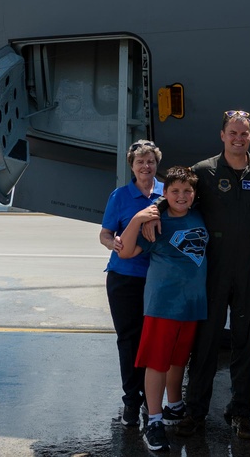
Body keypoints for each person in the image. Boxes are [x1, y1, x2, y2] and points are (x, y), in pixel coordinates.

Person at [176, 110, 250, 440]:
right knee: (204, 344)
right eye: (233, 133)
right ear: (222, 135)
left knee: (245, 345)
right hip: (212, 271)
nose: (238, 138)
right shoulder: (203, 172)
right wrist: (152, 217)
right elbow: (179, 206)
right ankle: (195, 413)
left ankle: (241, 413)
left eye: (244, 134)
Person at [117, 166, 209, 452]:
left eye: (187, 191)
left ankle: (174, 405)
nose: (181, 196)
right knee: (157, 362)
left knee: (178, 359)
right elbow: (126, 251)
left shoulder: (198, 214)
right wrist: (136, 220)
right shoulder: (156, 223)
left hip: (192, 305)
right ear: (165, 193)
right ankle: (154, 420)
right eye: (175, 191)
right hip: (163, 305)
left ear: (194, 194)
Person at [98, 140, 164, 427]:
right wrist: (112, 243)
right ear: (132, 166)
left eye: (150, 161)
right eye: (140, 162)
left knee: (153, 341)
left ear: (156, 163)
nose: (146, 166)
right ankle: (131, 402)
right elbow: (104, 233)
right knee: (128, 340)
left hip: (159, 278)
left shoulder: (166, 194)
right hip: (124, 278)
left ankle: (152, 403)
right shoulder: (120, 196)